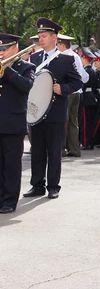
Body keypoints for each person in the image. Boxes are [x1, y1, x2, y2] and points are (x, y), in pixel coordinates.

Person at [24, 17, 83, 199]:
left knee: (54, 151)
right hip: (36, 111)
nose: (40, 39)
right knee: (37, 150)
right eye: (39, 36)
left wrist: (63, 89)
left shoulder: (66, 59)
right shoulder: (33, 58)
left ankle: (53, 186)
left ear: (54, 37)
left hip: (56, 112)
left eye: (43, 36)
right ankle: (37, 185)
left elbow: (77, 81)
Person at [0, 33, 35, 214]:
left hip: (13, 124)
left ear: (15, 49)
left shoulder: (26, 67)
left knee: (11, 165)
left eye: (5, 49)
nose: (1, 53)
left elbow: (27, 86)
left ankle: (10, 201)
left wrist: (8, 70)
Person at [57, 34, 88, 157]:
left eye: (58, 45)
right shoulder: (76, 56)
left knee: (64, 120)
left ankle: (62, 148)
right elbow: (85, 77)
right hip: (77, 92)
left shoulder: (64, 56)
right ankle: (74, 149)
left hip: (68, 91)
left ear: (62, 45)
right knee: (73, 122)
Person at [80, 47, 98, 150]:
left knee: (85, 122)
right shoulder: (92, 70)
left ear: (85, 59)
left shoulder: (86, 71)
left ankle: (86, 143)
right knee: (89, 121)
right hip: (91, 97)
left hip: (86, 98)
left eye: (82, 58)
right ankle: (89, 142)